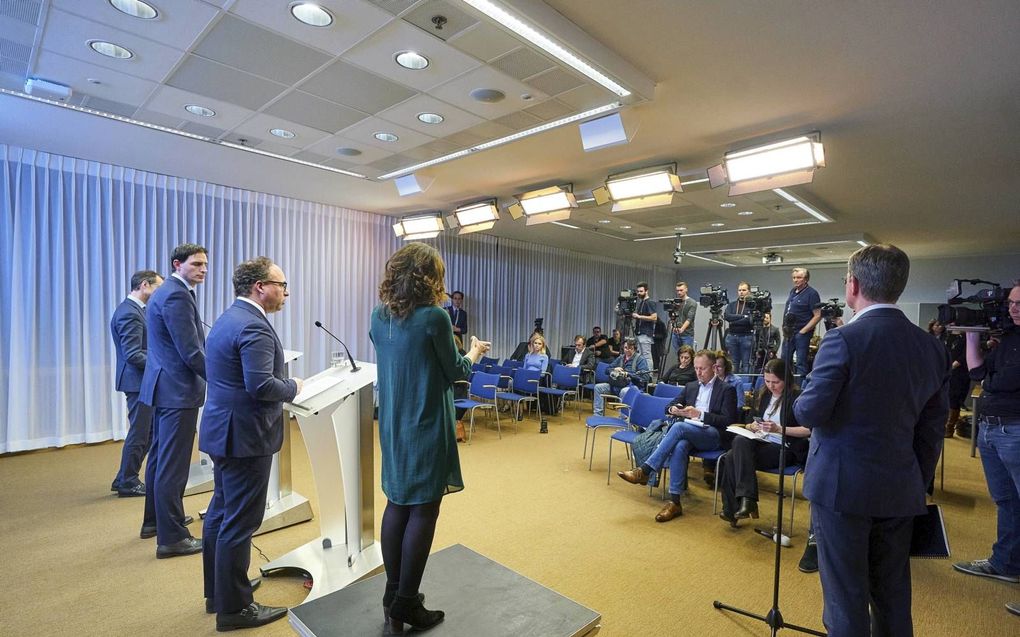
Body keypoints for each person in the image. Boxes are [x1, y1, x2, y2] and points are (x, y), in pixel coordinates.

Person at [793, 244, 948, 637]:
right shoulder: (931, 347)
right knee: (893, 598)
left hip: (841, 491)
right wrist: (915, 478)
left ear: (854, 284)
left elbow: (808, 413)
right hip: (900, 488)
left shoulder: (842, 339)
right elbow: (932, 429)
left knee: (846, 603)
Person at [369, 243, 491, 632]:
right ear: (430, 278)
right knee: (424, 508)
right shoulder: (434, 318)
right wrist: (473, 353)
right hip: (425, 420)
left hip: (393, 422)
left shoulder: (378, 315)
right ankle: (407, 602)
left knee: (397, 503)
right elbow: (455, 371)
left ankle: (393, 594)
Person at [199, 257, 302, 631]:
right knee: (239, 522)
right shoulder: (254, 327)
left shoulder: (228, 318)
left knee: (221, 514)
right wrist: (294, 387)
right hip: (246, 436)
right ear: (260, 286)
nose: (286, 292)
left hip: (223, 431)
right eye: (282, 284)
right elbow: (262, 386)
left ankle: (219, 592)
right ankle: (235, 609)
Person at [953, 280, 1020, 617]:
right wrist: (970, 336)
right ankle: (1005, 562)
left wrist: (991, 381)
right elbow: (977, 371)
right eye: (1011, 302)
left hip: (1016, 429)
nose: (1014, 308)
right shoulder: (1007, 338)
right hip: (991, 428)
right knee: (1007, 501)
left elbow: (1004, 381)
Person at [138, 243, 209, 558]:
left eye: (205, 264)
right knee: (173, 465)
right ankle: (172, 538)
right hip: (177, 389)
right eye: (196, 264)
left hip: (164, 386)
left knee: (159, 460)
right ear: (177, 264)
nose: (203, 269)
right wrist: (223, 378)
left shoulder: (166, 292)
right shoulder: (177, 295)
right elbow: (191, 351)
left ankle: (156, 521)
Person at [618, 350, 738, 522]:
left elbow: (728, 420)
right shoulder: (691, 386)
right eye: (696, 368)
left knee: (679, 428)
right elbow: (669, 405)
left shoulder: (727, 389)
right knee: (680, 445)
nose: (698, 372)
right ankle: (675, 502)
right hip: (690, 431)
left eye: (702, 369)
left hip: (713, 435)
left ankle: (645, 470)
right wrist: (674, 409)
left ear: (713, 368)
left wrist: (700, 414)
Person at [718, 359, 809, 526]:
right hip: (761, 441)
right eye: (767, 381)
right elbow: (751, 418)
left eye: (776, 382)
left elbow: (809, 430)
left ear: (787, 379)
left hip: (785, 448)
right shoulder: (764, 394)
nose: (771, 386)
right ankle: (746, 501)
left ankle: (736, 507)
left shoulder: (799, 396)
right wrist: (751, 425)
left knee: (731, 456)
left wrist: (779, 429)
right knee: (736, 445)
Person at [109, 270, 164, 497]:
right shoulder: (129, 313)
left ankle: (124, 477)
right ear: (144, 285)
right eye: (158, 288)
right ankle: (128, 481)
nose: (160, 293)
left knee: (146, 431)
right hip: (137, 382)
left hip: (141, 381)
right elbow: (133, 354)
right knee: (141, 432)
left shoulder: (135, 310)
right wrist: (162, 364)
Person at [928, 318, 972, 437]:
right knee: (941, 397)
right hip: (943, 372)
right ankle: (940, 425)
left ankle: (949, 428)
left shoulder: (965, 338)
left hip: (959, 373)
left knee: (954, 399)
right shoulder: (945, 337)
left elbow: (965, 355)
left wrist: (952, 365)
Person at [592, 338, 649, 416]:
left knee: (624, 391)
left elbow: (645, 377)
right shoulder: (621, 357)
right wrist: (614, 369)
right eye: (625, 348)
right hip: (616, 385)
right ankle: (597, 415)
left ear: (635, 349)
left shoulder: (640, 359)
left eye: (630, 348)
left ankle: (623, 419)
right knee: (598, 387)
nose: (627, 350)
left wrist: (628, 374)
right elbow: (606, 370)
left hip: (632, 387)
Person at [782, 267, 822, 377]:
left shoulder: (812, 293)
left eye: (799, 278)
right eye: (794, 278)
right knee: (784, 361)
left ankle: (800, 389)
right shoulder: (793, 291)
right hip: (789, 332)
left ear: (806, 279)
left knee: (800, 362)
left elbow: (817, 315)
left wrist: (803, 331)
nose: (795, 280)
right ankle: (786, 387)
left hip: (801, 333)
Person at [724, 282, 754, 373]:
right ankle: (733, 385)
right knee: (733, 363)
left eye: (744, 290)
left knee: (746, 363)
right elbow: (727, 317)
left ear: (749, 291)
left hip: (746, 337)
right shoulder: (732, 305)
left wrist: (734, 320)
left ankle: (746, 386)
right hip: (732, 336)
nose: (741, 292)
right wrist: (743, 316)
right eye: (740, 290)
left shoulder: (752, 305)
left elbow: (749, 320)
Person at [631, 282, 658, 368]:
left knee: (646, 355)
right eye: (638, 291)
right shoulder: (641, 303)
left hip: (645, 333)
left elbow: (654, 317)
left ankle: (649, 374)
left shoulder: (650, 302)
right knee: (640, 355)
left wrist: (639, 316)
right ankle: (643, 372)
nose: (639, 293)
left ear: (646, 291)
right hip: (639, 332)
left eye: (641, 291)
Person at [671, 281, 698, 352]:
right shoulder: (675, 302)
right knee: (678, 355)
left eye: (681, 290)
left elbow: (690, 318)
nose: (679, 292)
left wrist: (682, 329)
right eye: (677, 290)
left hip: (687, 334)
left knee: (687, 354)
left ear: (686, 289)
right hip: (676, 333)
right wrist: (673, 326)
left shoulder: (692, 302)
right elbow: (673, 316)